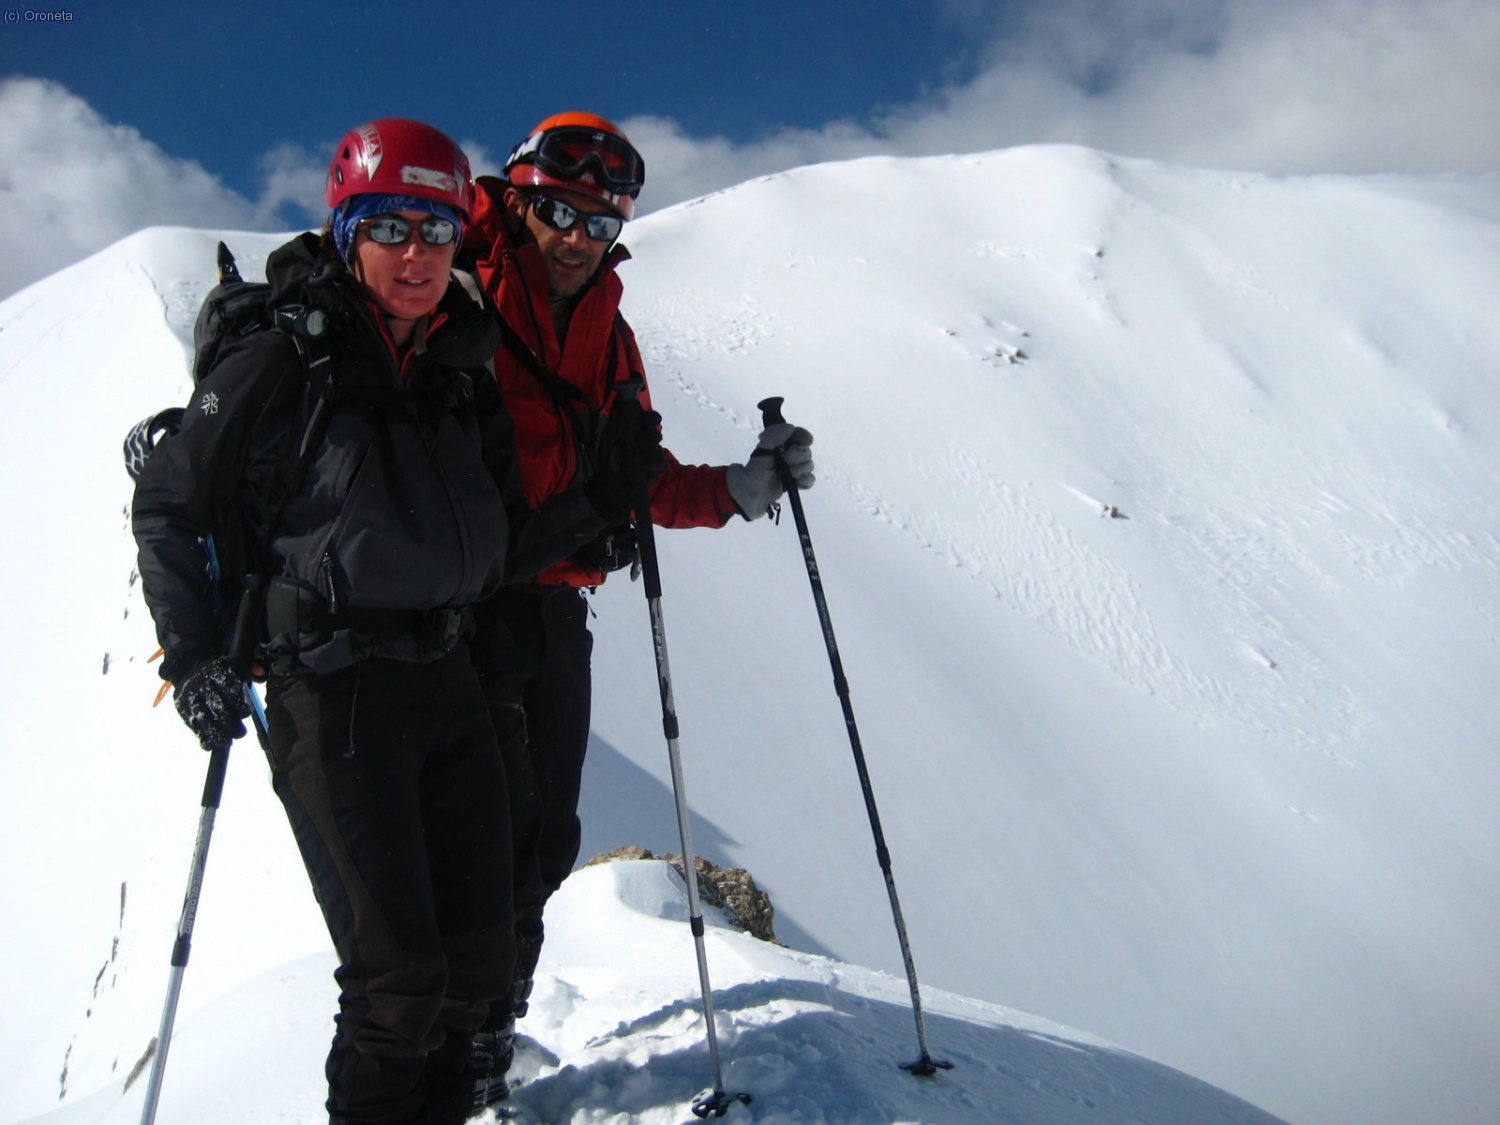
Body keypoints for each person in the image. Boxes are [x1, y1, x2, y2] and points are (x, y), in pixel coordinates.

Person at [131, 118, 614, 1124]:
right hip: (333, 688)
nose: (417, 256)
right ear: (347, 231)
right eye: (390, 228)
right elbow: (173, 506)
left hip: (449, 679)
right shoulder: (281, 360)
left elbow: (494, 537)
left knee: (480, 962)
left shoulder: (456, 370)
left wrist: (598, 512)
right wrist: (197, 655)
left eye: (436, 232)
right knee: (397, 983)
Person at [459, 110, 816, 1095]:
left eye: (600, 224)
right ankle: (440, 1049)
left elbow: (637, 472)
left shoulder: (611, 338)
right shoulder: (460, 288)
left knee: (543, 842)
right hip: (451, 616)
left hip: (553, 613)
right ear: (525, 196)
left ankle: (488, 1036)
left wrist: (740, 491)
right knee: (476, 842)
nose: (577, 238)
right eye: (561, 212)